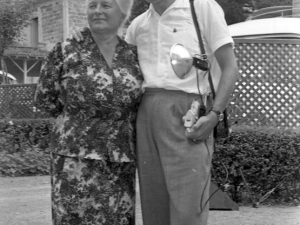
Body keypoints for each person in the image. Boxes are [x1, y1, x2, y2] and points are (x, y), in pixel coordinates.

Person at [73, 0, 239, 224]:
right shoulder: (138, 24)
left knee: (188, 204)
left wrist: (215, 114)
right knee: (154, 204)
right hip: (146, 111)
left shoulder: (201, 7)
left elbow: (230, 67)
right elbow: (115, 70)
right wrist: (84, 41)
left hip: (188, 110)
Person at [34, 0, 143, 224]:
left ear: (122, 13)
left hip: (119, 160)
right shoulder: (66, 50)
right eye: (92, 5)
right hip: (74, 158)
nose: (97, 11)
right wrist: (77, 122)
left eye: (106, 5)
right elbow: (44, 99)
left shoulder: (134, 55)